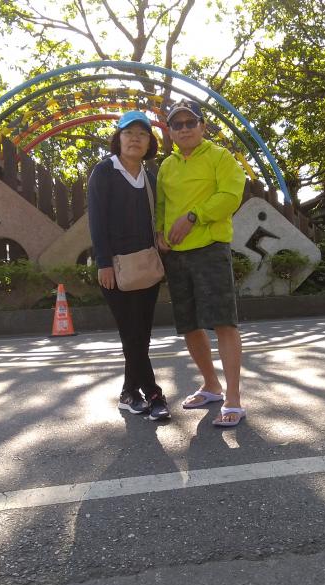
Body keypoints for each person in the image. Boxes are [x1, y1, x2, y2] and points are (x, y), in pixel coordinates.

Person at [156, 99, 247, 427]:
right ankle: (211, 385)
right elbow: (161, 205)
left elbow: (231, 196)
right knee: (189, 324)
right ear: (170, 132)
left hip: (210, 249)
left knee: (224, 323)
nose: (184, 129)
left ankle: (233, 398)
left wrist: (195, 216)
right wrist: (159, 231)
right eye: (177, 125)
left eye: (190, 122)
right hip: (176, 255)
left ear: (202, 126)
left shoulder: (220, 157)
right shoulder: (166, 166)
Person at [87, 110, 170, 421]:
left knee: (141, 336)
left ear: (149, 142)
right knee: (131, 334)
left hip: (146, 266)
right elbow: (97, 221)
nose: (135, 138)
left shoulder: (150, 178)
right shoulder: (104, 172)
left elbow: (155, 221)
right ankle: (154, 394)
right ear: (118, 138)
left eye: (142, 134)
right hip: (116, 268)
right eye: (128, 132)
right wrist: (103, 263)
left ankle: (128, 393)